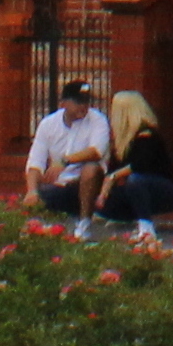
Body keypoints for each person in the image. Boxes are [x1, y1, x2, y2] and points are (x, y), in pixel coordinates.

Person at [97, 89, 173, 245]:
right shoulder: (123, 140)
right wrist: (102, 191)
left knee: (135, 180)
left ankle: (146, 229)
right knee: (105, 195)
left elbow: (141, 165)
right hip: (140, 191)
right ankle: (126, 223)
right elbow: (112, 170)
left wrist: (113, 177)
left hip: (167, 190)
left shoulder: (147, 134)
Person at [23, 77, 110, 232]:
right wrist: (32, 191)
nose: (83, 106)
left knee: (91, 169)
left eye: (86, 101)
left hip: (88, 185)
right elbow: (36, 162)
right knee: (33, 203)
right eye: (78, 102)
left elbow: (97, 151)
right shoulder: (48, 124)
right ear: (63, 103)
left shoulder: (98, 120)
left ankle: (84, 223)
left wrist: (64, 161)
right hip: (60, 184)